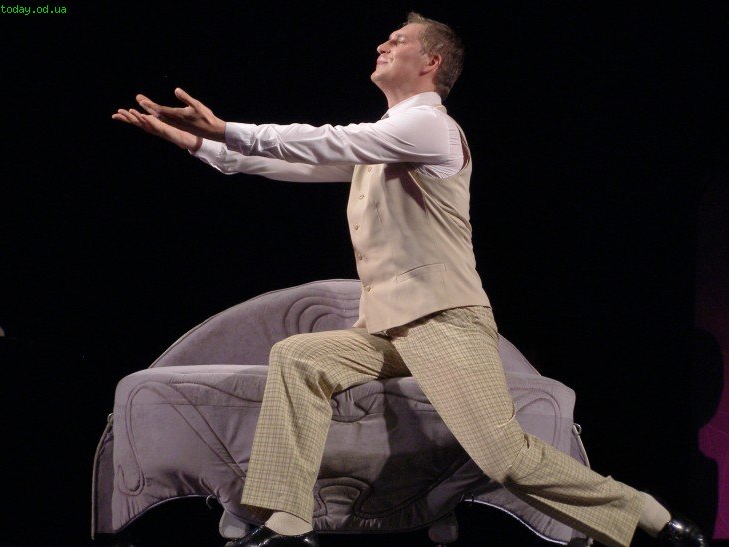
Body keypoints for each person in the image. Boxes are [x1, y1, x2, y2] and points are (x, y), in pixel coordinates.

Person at [112, 12, 707, 547]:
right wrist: (200, 144)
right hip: (390, 327)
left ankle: (650, 519)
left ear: (432, 62)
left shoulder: (429, 128)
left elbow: (325, 140)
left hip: (445, 321)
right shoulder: (387, 141)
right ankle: (288, 523)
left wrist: (227, 128)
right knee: (300, 357)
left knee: (506, 459)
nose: (382, 44)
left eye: (398, 40)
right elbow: (294, 162)